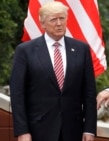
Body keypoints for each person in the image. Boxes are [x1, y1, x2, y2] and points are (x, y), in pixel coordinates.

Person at [10, 1, 97, 141]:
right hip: (38, 130)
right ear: (42, 24)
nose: (59, 23)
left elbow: (89, 93)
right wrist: (22, 131)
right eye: (53, 19)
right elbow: (17, 94)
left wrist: (90, 129)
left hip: (73, 130)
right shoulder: (25, 51)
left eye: (62, 18)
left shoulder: (81, 49)